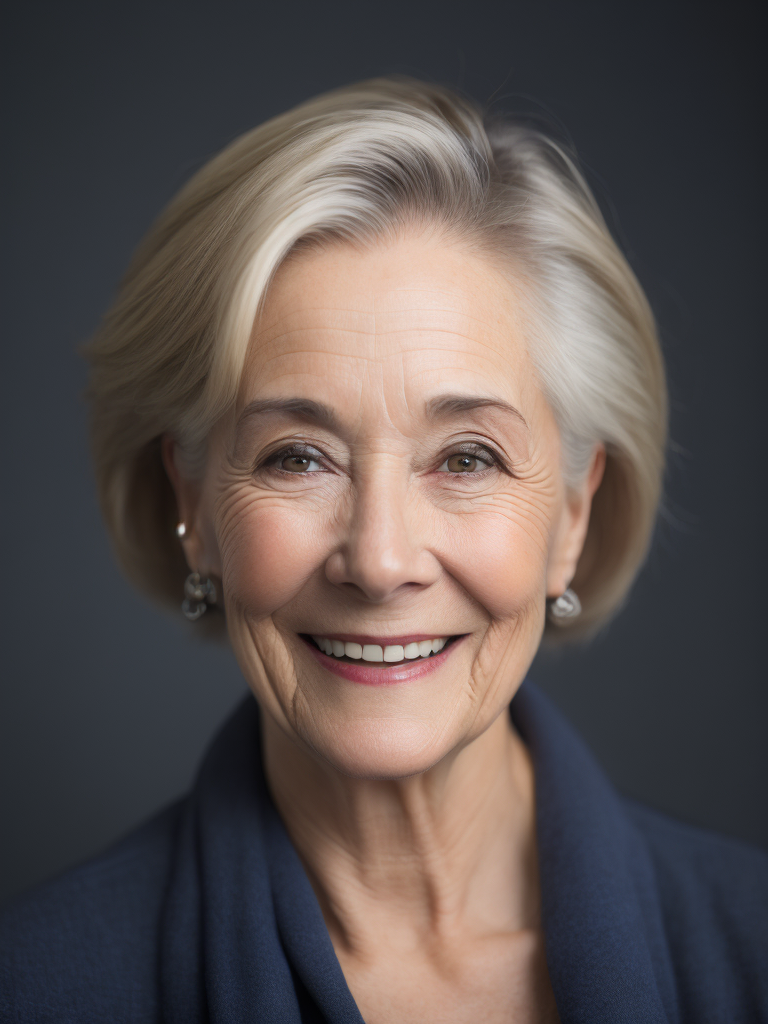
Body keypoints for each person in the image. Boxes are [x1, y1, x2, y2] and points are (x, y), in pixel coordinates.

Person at [1, 77, 766, 1024]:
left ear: (573, 516)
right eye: (299, 457)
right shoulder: (36, 990)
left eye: (467, 457)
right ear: (192, 501)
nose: (380, 558)